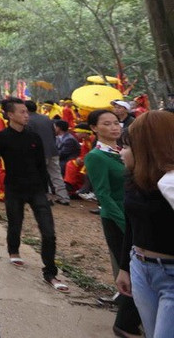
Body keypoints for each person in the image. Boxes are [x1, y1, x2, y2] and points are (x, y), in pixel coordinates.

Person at [0, 98, 68, 291]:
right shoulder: (1, 137)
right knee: (15, 223)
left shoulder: (34, 138)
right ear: (10, 115)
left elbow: (41, 166)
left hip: (37, 189)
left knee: (48, 232)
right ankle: (13, 249)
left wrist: (48, 190)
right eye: (21, 112)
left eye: (26, 112)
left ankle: (50, 273)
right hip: (14, 188)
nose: (26, 115)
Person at [116, 111, 174, 338]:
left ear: (148, 148)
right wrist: (124, 268)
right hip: (140, 268)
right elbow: (131, 225)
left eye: (127, 147)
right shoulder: (134, 179)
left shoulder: (169, 185)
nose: (121, 152)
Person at [84, 109, 142, 337]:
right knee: (131, 268)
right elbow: (104, 195)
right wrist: (125, 223)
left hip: (133, 215)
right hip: (117, 219)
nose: (114, 127)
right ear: (94, 128)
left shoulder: (124, 151)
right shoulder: (96, 157)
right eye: (106, 124)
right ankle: (126, 322)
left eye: (116, 122)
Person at [26, 100, 71, 206]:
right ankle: (64, 197)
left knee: (42, 175)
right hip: (53, 150)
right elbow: (53, 133)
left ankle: (47, 197)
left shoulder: (28, 121)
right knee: (56, 174)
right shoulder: (46, 118)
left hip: (39, 152)